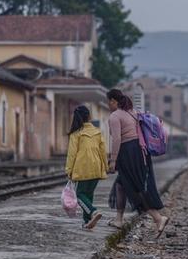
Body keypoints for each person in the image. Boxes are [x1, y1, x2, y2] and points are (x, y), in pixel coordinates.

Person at [106, 89, 170, 238]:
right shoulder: (132, 112)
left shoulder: (115, 116)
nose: (108, 104)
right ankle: (119, 220)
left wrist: (113, 161)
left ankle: (158, 218)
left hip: (128, 153)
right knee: (121, 185)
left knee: (136, 188)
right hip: (141, 152)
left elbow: (116, 140)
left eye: (108, 101)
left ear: (113, 101)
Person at [65, 105, 107, 230]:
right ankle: (87, 221)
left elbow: (72, 154)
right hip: (96, 167)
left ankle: (93, 212)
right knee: (88, 195)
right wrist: (105, 166)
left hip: (82, 168)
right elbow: (103, 151)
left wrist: (69, 170)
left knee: (79, 195)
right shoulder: (97, 131)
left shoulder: (76, 134)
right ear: (89, 116)